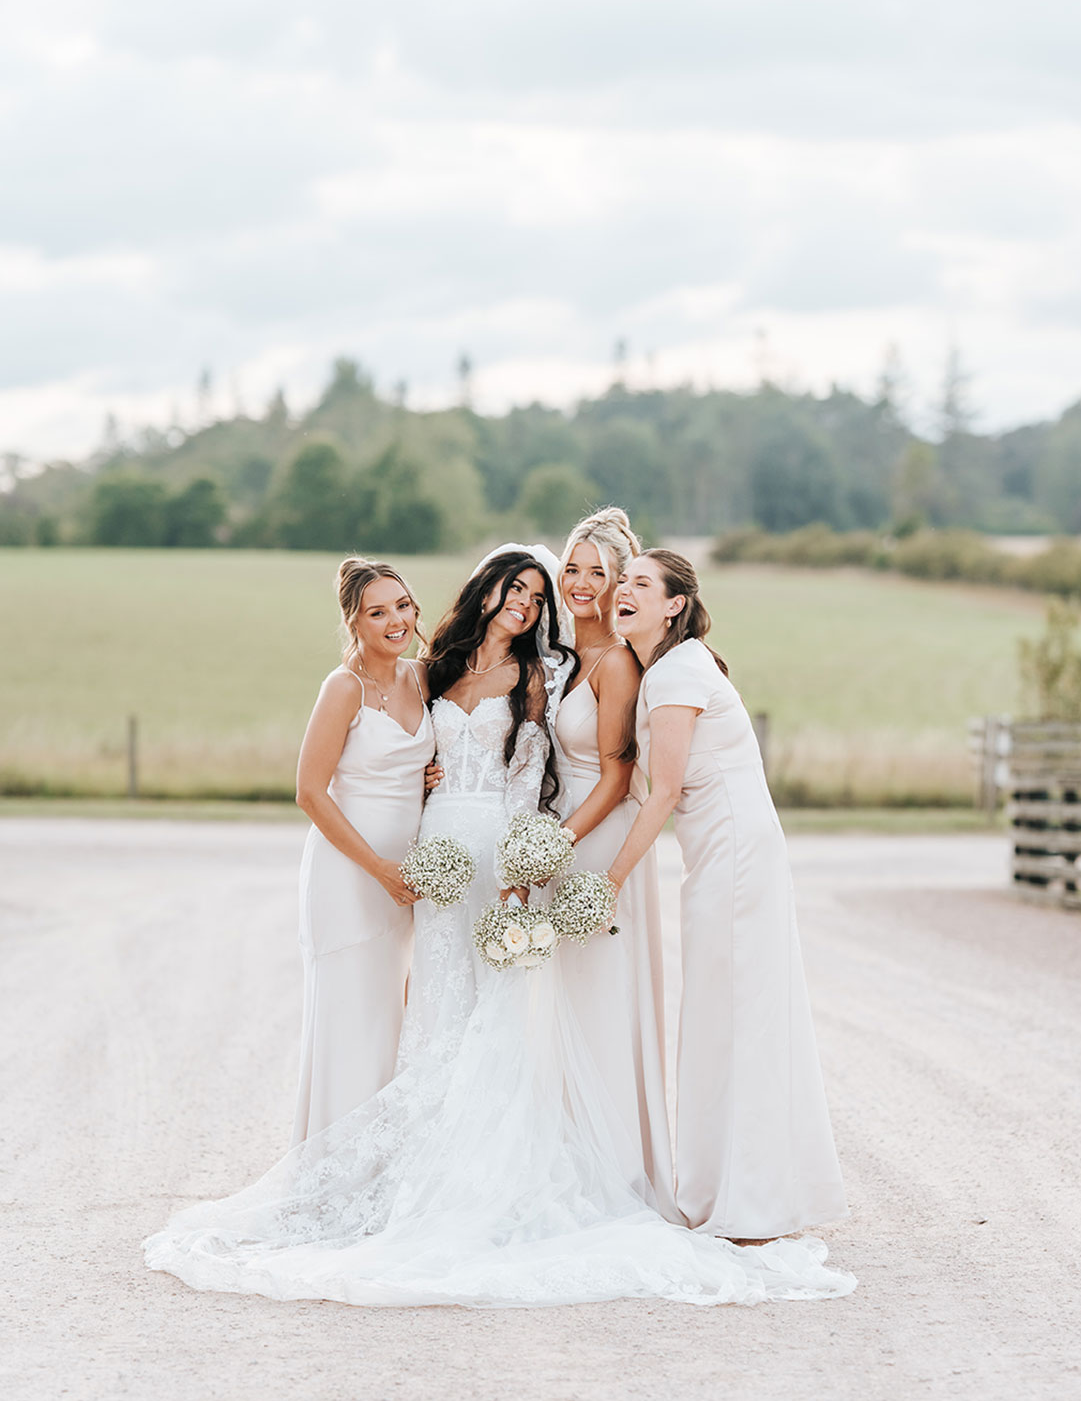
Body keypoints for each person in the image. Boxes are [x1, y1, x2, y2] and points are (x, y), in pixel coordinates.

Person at [144, 545, 853, 1309]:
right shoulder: (434, 669)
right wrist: (421, 777)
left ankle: (498, 1177)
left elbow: (552, 765)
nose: (524, 601)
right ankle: (416, 1174)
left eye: (535, 593)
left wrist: (533, 847)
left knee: (503, 1009)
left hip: (504, 849)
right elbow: (400, 736)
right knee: (437, 1004)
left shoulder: (538, 676)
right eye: (513, 587)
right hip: (440, 849)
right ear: (483, 590)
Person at [608, 549, 848, 1241]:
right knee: (725, 1007)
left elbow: (667, 791)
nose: (625, 591)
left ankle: (752, 1195)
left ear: (674, 603)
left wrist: (611, 879)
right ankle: (726, 1185)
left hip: (734, 850)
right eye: (624, 583)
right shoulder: (666, 669)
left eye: (641, 584)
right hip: (717, 847)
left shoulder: (679, 670)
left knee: (737, 1007)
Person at [553, 508, 676, 1217]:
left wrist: (557, 843)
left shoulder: (618, 663)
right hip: (560, 832)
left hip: (593, 838)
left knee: (598, 995)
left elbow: (615, 772)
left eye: (598, 572)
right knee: (559, 1004)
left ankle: (608, 1175)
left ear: (619, 584)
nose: (580, 582)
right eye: (573, 566)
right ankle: (563, 1155)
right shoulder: (564, 657)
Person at [291, 558, 434, 1145]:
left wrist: (434, 776)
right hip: (351, 873)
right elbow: (308, 792)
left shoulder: (422, 679)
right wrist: (377, 868)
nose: (395, 620)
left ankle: (379, 1164)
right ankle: (331, 1168)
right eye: (378, 612)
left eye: (402, 606)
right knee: (349, 1012)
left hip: (405, 874)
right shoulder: (343, 687)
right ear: (355, 622)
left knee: (388, 1016)